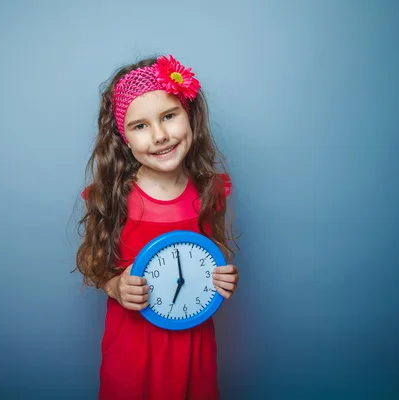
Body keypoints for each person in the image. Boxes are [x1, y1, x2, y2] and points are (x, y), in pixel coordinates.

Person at [75, 54, 239, 400]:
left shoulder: (210, 191)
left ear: (189, 115)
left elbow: (213, 252)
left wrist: (222, 275)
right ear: (124, 138)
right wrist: (114, 285)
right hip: (134, 347)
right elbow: (91, 257)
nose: (160, 135)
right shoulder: (114, 197)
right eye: (141, 126)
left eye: (168, 116)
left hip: (193, 342)